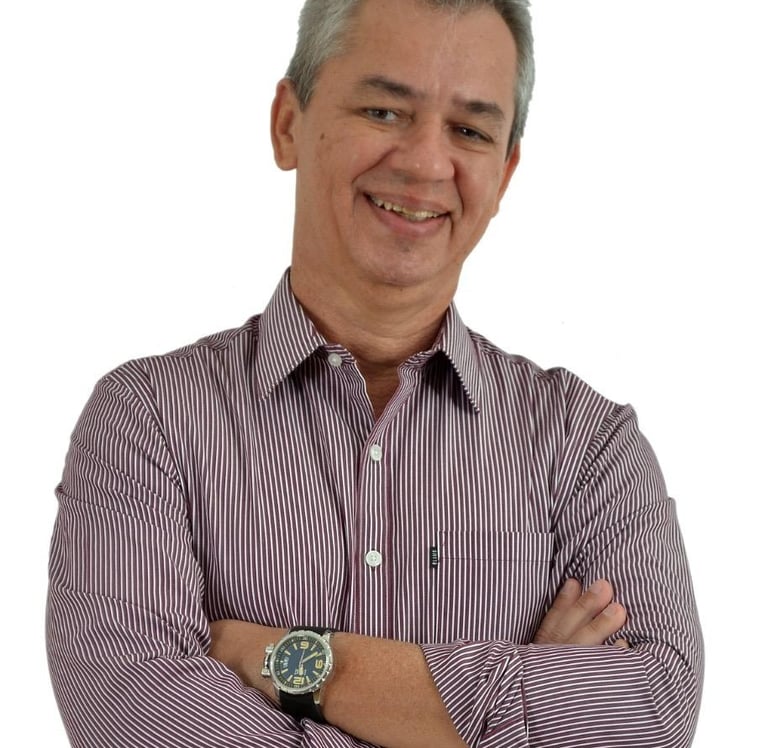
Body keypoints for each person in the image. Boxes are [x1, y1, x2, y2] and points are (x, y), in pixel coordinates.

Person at [46, 0, 703, 746]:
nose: (425, 163)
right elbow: (135, 718)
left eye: (469, 130)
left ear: (504, 172)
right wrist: (524, 698)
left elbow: (653, 713)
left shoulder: (590, 447)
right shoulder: (144, 423)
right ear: (288, 124)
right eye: (385, 111)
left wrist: (289, 664)